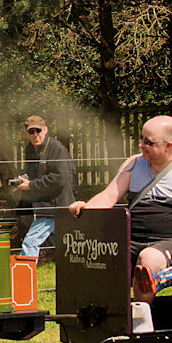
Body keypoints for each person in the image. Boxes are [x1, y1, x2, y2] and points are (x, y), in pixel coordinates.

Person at [70, 115, 172, 304]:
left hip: (166, 241)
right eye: (141, 139)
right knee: (104, 253)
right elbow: (109, 195)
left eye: (148, 142)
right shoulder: (134, 164)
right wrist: (87, 208)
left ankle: (141, 322)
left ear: (169, 146)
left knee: (148, 258)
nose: (141, 145)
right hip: (131, 238)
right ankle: (110, 317)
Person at [11, 115, 75, 259]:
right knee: (66, 246)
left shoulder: (56, 148)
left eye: (38, 131)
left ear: (45, 130)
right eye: (31, 132)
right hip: (44, 205)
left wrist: (31, 185)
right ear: (26, 133)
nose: (35, 135)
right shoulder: (30, 150)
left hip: (56, 205)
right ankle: (75, 270)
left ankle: (25, 278)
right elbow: (37, 175)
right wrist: (24, 180)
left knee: (30, 243)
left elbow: (60, 178)